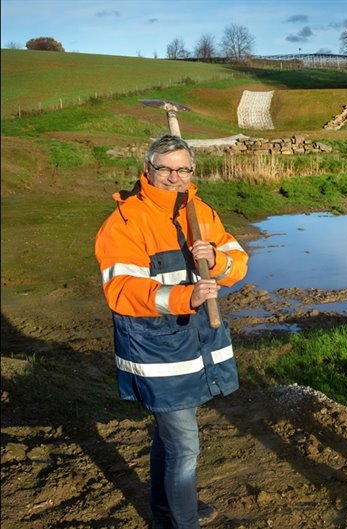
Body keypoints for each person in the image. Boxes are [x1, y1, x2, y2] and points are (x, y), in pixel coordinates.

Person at [95, 134, 248, 528]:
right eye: (165, 168)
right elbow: (121, 291)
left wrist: (216, 258)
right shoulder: (125, 221)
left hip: (195, 343)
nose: (174, 177)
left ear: (192, 171)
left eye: (183, 169)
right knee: (185, 444)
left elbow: (239, 263)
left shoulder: (201, 212)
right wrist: (186, 298)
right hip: (156, 351)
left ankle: (167, 512)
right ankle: (183, 522)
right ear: (148, 169)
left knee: (169, 438)